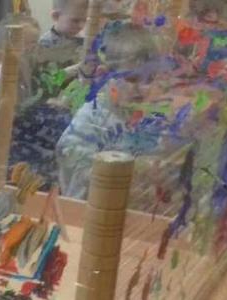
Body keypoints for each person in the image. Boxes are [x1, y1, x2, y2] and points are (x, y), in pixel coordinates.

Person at [56, 23, 174, 199]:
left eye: (149, 79)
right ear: (103, 75)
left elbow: (158, 157)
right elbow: (73, 163)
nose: (142, 88)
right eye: (132, 79)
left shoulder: (146, 116)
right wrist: (133, 169)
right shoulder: (91, 118)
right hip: (88, 209)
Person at [38, 0, 88, 71]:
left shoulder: (83, 40)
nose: (81, 26)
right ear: (56, 16)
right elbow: (48, 76)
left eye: (85, 20)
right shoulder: (44, 45)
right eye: (75, 20)